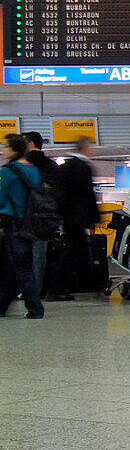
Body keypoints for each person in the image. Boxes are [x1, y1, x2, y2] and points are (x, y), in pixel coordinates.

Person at [0, 134, 45, 319]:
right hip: (30, 223)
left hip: (12, 223)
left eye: (5, 146)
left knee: (19, 268)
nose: (2, 149)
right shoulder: (34, 170)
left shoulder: (7, 171)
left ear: (14, 150)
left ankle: (35, 308)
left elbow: (1, 199)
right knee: (17, 266)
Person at [49, 137, 99, 300]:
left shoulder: (65, 166)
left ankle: (63, 287)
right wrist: (94, 216)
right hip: (77, 217)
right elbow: (88, 194)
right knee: (73, 251)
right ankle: (58, 288)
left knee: (73, 250)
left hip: (68, 217)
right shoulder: (82, 167)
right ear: (85, 148)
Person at [23, 131, 58, 299]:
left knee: (19, 255)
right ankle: (35, 291)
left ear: (30, 144)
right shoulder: (51, 165)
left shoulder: (21, 165)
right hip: (45, 218)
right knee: (39, 255)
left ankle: (22, 289)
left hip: (23, 215)